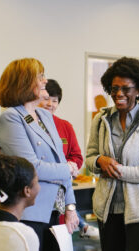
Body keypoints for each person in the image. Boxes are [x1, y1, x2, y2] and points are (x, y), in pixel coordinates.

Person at [0, 58, 79, 251]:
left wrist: (70, 207)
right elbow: (31, 166)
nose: (45, 81)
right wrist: (68, 169)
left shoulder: (46, 117)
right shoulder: (11, 117)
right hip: (31, 213)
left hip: (56, 213)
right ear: (23, 83)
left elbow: (60, 164)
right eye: (39, 76)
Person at [85, 56, 139, 251]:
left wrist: (118, 171)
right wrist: (100, 161)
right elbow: (89, 158)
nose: (119, 94)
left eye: (126, 88)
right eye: (114, 88)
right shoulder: (101, 120)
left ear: (138, 90)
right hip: (108, 210)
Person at [39, 79, 98, 239]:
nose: (50, 104)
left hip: (62, 190)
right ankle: (84, 226)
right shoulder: (30, 125)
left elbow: (77, 156)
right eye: (46, 99)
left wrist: (68, 167)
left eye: (55, 100)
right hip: (38, 193)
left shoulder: (65, 126)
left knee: (59, 240)